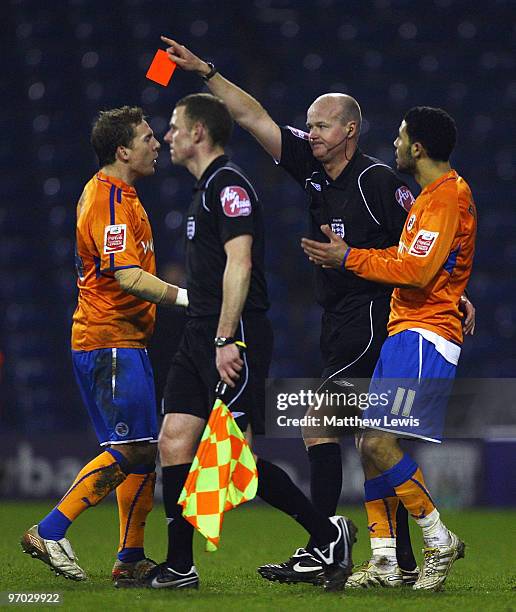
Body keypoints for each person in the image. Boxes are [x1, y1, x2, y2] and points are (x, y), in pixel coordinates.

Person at [158, 36, 476, 586]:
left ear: (349, 131)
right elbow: (254, 116)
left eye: (322, 125)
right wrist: (207, 71)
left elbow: (423, 247)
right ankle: (390, 557)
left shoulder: (378, 183)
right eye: (309, 124)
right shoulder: (310, 164)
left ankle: (328, 543)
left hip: (376, 314)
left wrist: (454, 290)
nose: (311, 132)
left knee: (323, 424)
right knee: (362, 437)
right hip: (338, 314)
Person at [142, 93, 356, 592]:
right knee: (173, 439)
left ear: (199, 132)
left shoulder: (229, 186)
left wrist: (225, 338)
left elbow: (241, 263)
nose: (168, 136)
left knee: (233, 460)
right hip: (200, 332)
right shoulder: (202, 190)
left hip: (232, 334)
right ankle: (179, 566)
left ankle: (327, 534)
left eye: (175, 126)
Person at [301, 106, 476, 591]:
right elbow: (411, 258)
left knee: (379, 442)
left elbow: (418, 272)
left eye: (400, 137)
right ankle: (385, 560)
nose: (395, 144)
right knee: (367, 444)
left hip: (426, 332)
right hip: (408, 326)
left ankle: (438, 538)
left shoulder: (445, 198)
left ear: (417, 147)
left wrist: (348, 257)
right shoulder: (431, 198)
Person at [21, 106, 189, 586]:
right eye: (147, 137)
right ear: (123, 150)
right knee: (132, 447)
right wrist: (185, 297)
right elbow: (128, 276)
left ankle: (130, 556)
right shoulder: (108, 200)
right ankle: (51, 530)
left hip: (128, 338)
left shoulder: (124, 195)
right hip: (108, 338)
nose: (157, 143)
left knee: (141, 447)